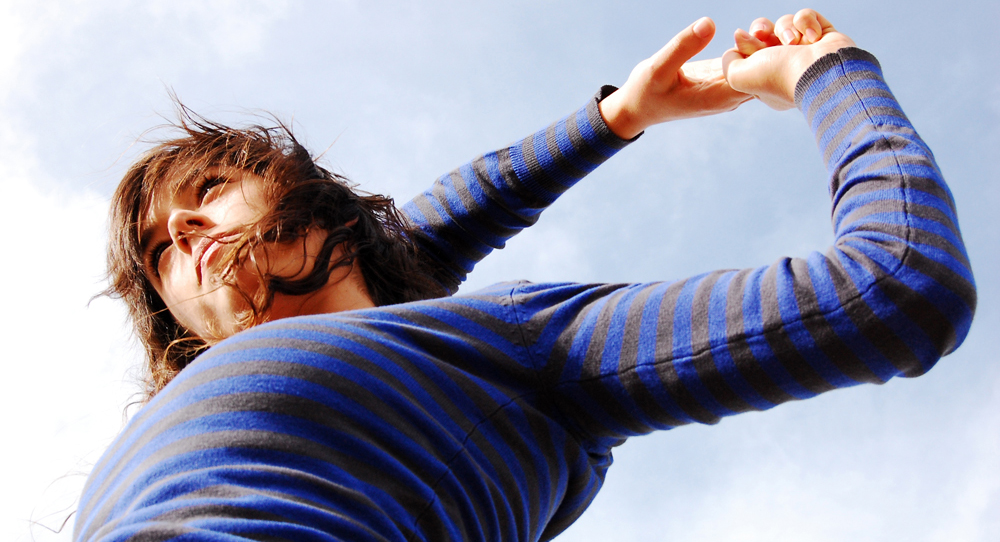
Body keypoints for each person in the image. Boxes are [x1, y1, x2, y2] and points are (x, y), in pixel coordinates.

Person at [75, 9, 975, 542]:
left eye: (208, 191)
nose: (182, 230)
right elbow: (428, 228)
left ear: (322, 207)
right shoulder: (206, 394)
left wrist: (829, 72)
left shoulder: (505, 349)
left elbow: (894, 286)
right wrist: (615, 117)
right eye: (157, 251)